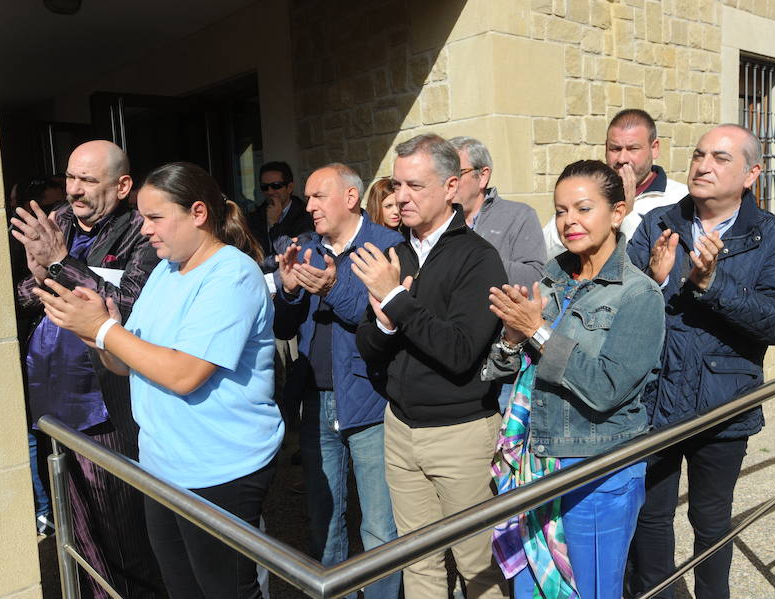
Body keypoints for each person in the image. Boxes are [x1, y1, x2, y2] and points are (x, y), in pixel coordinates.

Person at [33, 161, 285, 599]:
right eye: (142, 216)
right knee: (182, 588)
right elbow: (128, 364)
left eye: (155, 217)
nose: (144, 229)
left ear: (199, 213)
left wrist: (105, 330)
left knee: (225, 590)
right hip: (162, 466)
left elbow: (184, 374)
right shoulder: (167, 271)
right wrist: (96, 335)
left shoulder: (232, 274)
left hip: (219, 467)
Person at [626, 124, 775, 598]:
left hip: (723, 404)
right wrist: (652, 280)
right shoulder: (658, 223)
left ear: (751, 173)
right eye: (700, 154)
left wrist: (710, 285)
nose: (704, 165)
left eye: (720, 158)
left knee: (711, 521)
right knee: (649, 517)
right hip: (654, 400)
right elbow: (622, 301)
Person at [482, 159, 665, 597]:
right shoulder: (550, 278)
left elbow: (605, 389)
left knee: (591, 590)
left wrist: (537, 331)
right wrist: (511, 337)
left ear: (617, 213)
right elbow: (501, 372)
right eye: (561, 211)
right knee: (533, 590)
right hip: (534, 459)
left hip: (595, 468)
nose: (569, 222)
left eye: (583, 209)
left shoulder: (640, 294)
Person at [352, 133, 509, 599]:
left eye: (415, 186)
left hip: (459, 434)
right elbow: (369, 345)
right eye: (398, 185)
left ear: (451, 187)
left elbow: (460, 351)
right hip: (400, 428)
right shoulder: (396, 254)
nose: (401, 197)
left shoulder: (478, 258)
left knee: (477, 564)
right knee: (418, 562)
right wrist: (383, 324)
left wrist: (397, 299)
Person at [12, 140, 162, 598]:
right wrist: (40, 280)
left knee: (122, 534)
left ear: (122, 185)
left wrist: (61, 265)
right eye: (71, 177)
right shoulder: (55, 220)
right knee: (74, 533)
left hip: (105, 405)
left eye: (88, 181)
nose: (74, 190)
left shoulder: (142, 230)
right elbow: (22, 295)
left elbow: (133, 304)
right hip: (48, 394)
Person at [274, 163, 402, 598]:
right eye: (307, 198)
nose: (308, 206)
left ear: (350, 198)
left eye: (317, 196)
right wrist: (290, 290)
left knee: (379, 524)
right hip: (315, 399)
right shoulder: (306, 247)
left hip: (370, 398)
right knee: (323, 517)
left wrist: (331, 289)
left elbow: (380, 319)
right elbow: (287, 329)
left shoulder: (386, 246)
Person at [542, 109, 689, 259]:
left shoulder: (679, 199)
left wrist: (627, 215)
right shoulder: (589, 192)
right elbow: (544, 253)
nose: (622, 158)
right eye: (615, 149)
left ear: (654, 148)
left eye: (633, 149)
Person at [449, 137, 547, 286]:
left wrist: (479, 260)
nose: (448, 182)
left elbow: (535, 278)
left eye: (457, 173)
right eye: (442, 175)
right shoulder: (435, 220)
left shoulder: (519, 216)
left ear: (483, 176)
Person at [248, 160, 314, 272]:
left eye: (276, 186)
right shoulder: (255, 217)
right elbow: (250, 259)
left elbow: (295, 255)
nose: (270, 191)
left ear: (289, 187)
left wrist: (274, 224)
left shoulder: (305, 215)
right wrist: (275, 260)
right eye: (265, 187)